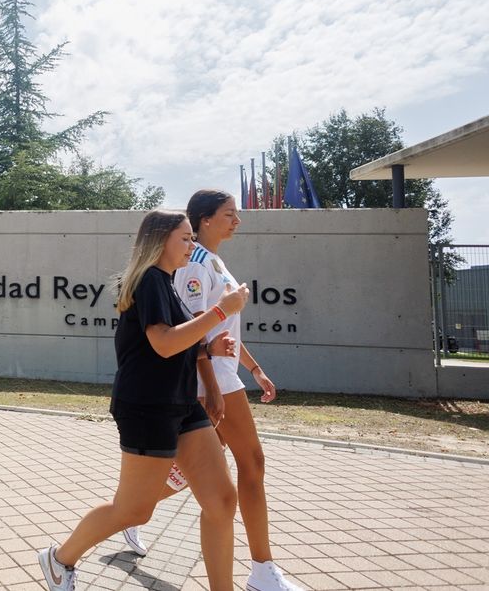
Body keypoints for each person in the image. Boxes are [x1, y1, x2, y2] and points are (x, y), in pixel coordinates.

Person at [38, 210, 250, 591]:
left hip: (183, 403)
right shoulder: (149, 279)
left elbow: (176, 341)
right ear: (159, 240)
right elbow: (163, 343)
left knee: (221, 499)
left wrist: (209, 346)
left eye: (192, 238)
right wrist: (223, 310)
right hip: (148, 406)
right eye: (185, 238)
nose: (192, 245)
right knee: (134, 509)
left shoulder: (168, 283)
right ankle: (59, 559)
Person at [122, 190, 304, 591]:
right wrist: (209, 388)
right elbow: (191, 329)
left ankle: (133, 515)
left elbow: (222, 329)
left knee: (196, 474)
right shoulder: (190, 265)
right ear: (204, 220)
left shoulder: (213, 262)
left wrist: (253, 368)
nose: (237, 220)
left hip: (225, 376)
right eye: (228, 214)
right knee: (246, 464)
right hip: (211, 381)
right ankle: (261, 569)